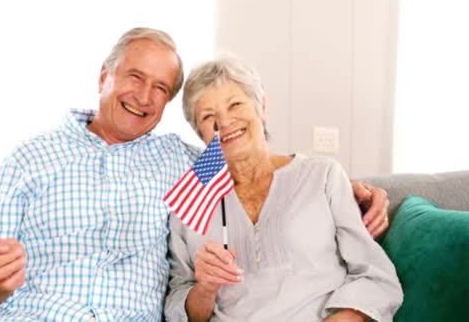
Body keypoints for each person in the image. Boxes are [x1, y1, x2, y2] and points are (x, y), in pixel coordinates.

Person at [0, 27, 392, 321]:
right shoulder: (29, 157)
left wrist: (350, 189)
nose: (145, 97)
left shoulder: (180, 161)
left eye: (161, 88)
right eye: (134, 77)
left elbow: (252, 157)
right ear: (103, 76)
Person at [165, 57, 403, 322]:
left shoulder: (321, 176)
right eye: (209, 116)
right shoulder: (190, 203)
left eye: (235, 105)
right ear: (201, 133)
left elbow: (376, 276)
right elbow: (177, 306)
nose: (226, 122)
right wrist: (206, 288)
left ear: (261, 107)